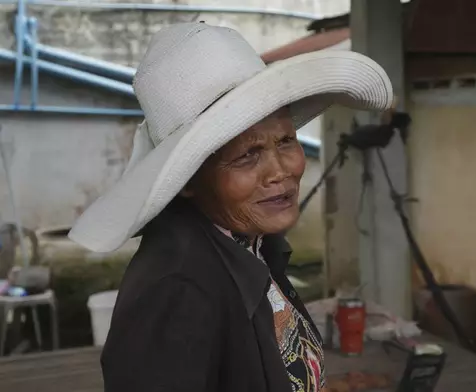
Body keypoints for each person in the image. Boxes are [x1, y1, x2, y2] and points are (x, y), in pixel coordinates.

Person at [69, 22, 394, 392]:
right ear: (189, 179)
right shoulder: (178, 292)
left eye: (286, 140)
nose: (282, 171)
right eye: (247, 156)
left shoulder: (250, 244)